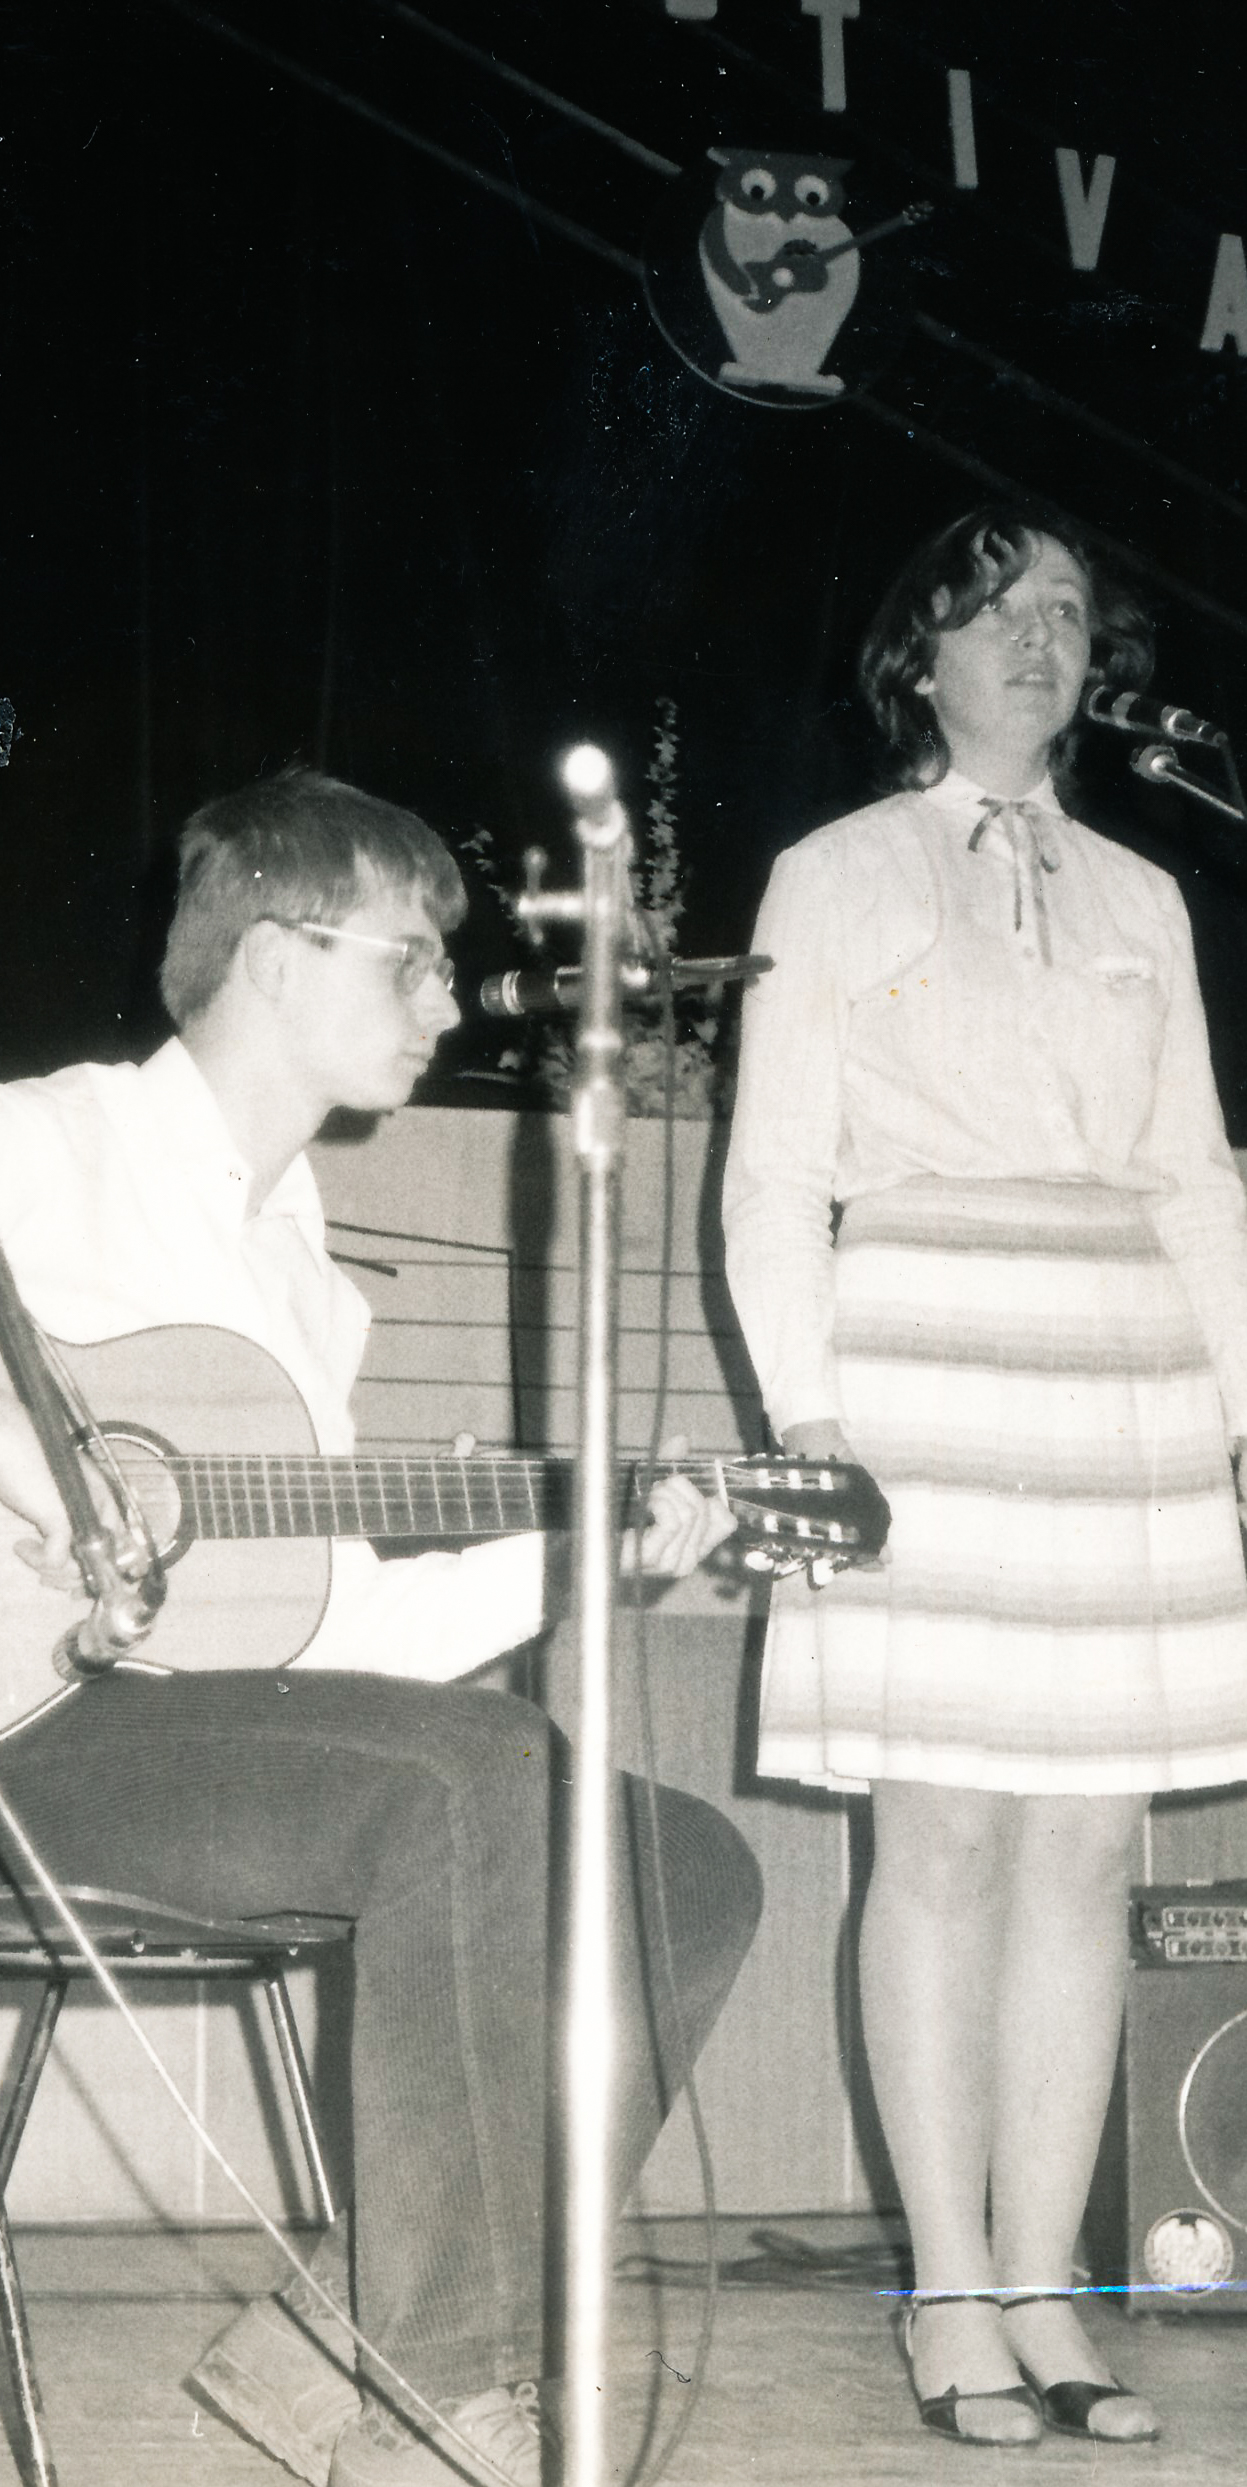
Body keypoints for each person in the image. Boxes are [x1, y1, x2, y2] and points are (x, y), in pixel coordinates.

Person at [0, 765, 761, 2487]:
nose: (447, 1001)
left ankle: (338, 2348)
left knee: (684, 1861)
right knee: (473, 1774)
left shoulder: (303, 1282)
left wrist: (582, 1555)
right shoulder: (50, 1143)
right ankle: (434, 2400)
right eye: (409, 958)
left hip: (176, 1741)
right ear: (276, 958)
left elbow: (337, 1644)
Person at [723, 505, 1247, 2448]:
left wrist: (1243, 1410)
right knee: (937, 1843)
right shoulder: (830, 874)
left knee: (1088, 1854)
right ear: (917, 655)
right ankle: (948, 2291)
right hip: (919, 1367)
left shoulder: (1143, 894)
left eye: (1067, 612)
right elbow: (775, 1176)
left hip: (1121, 1379)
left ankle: (1049, 2289)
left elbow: (1193, 1175)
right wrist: (809, 1418)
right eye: (993, 606)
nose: (1037, 637)